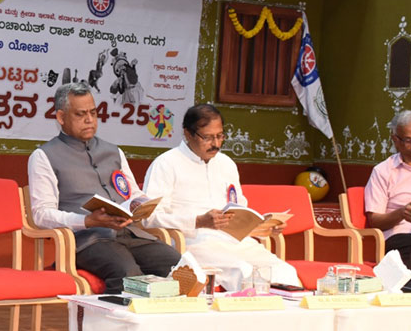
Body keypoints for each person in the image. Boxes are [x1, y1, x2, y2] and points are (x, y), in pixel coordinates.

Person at [27, 82, 180, 294]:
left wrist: (140, 205)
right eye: (80, 114)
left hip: (130, 234)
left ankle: (166, 317)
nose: (89, 120)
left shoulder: (114, 152)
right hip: (87, 241)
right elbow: (41, 215)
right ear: (61, 117)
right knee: (128, 275)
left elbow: (133, 193)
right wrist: (86, 221)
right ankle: (118, 317)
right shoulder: (44, 156)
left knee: (180, 269)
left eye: (93, 112)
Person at [143, 103, 301, 291]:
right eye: (208, 137)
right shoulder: (166, 163)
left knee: (282, 271)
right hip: (192, 242)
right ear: (188, 134)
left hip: (234, 242)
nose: (216, 144)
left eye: (220, 136)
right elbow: (148, 218)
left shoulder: (227, 164)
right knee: (243, 271)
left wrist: (264, 227)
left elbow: (240, 211)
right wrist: (198, 221)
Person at [364, 110, 411, 288]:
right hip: (400, 239)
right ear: (395, 140)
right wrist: (401, 214)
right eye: (409, 140)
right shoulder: (383, 171)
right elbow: (375, 220)